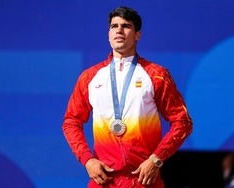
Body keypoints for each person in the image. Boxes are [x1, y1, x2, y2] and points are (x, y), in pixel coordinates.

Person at [62, 6, 193, 188]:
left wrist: (156, 159)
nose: (119, 31)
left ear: (137, 35)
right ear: (108, 34)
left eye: (126, 26)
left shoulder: (156, 75)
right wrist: (87, 160)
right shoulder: (90, 77)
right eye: (114, 26)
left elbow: (183, 122)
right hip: (104, 180)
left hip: (143, 180)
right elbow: (71, 122)